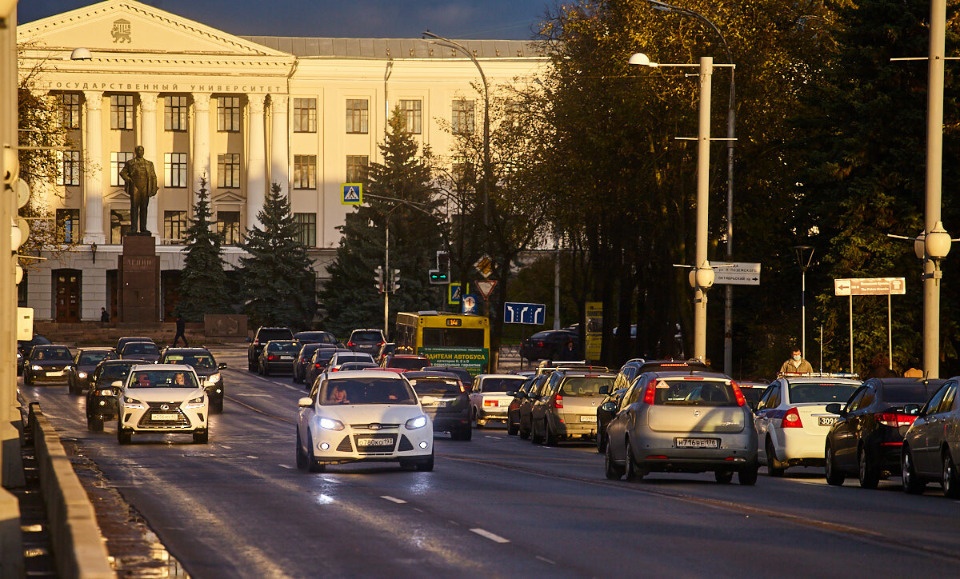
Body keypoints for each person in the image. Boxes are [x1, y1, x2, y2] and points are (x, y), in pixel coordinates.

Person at [119, 145, 158, 235]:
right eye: (139, 150)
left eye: (142, 150)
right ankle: (134, 229)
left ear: (143, 152)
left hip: (145, 187)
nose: (140, 152)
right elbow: (122, 173)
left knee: (144, 208)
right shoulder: (130, 163)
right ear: (136, 152)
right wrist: (128, 179)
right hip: (135, 186)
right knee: (134, 208)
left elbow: (153, 176)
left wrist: (154, 188)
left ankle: (143, 228)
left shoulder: (149, 164)